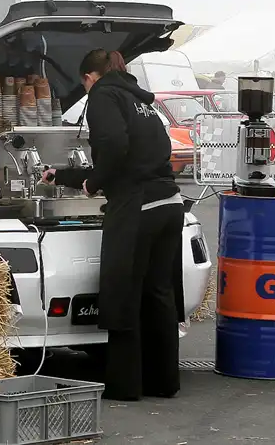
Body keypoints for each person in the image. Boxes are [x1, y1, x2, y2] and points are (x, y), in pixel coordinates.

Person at [41, 49, 183, 401]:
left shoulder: (104, 95)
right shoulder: (142, 101)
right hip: (169, 203)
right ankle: (164, 382)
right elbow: (154, 150)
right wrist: (70, 175)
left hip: (138, 206)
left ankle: (125, 386)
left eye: (84, 84)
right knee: (158, 294)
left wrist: (94, 181)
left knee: (123, 294)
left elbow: (115, 146)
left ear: (90, 77)